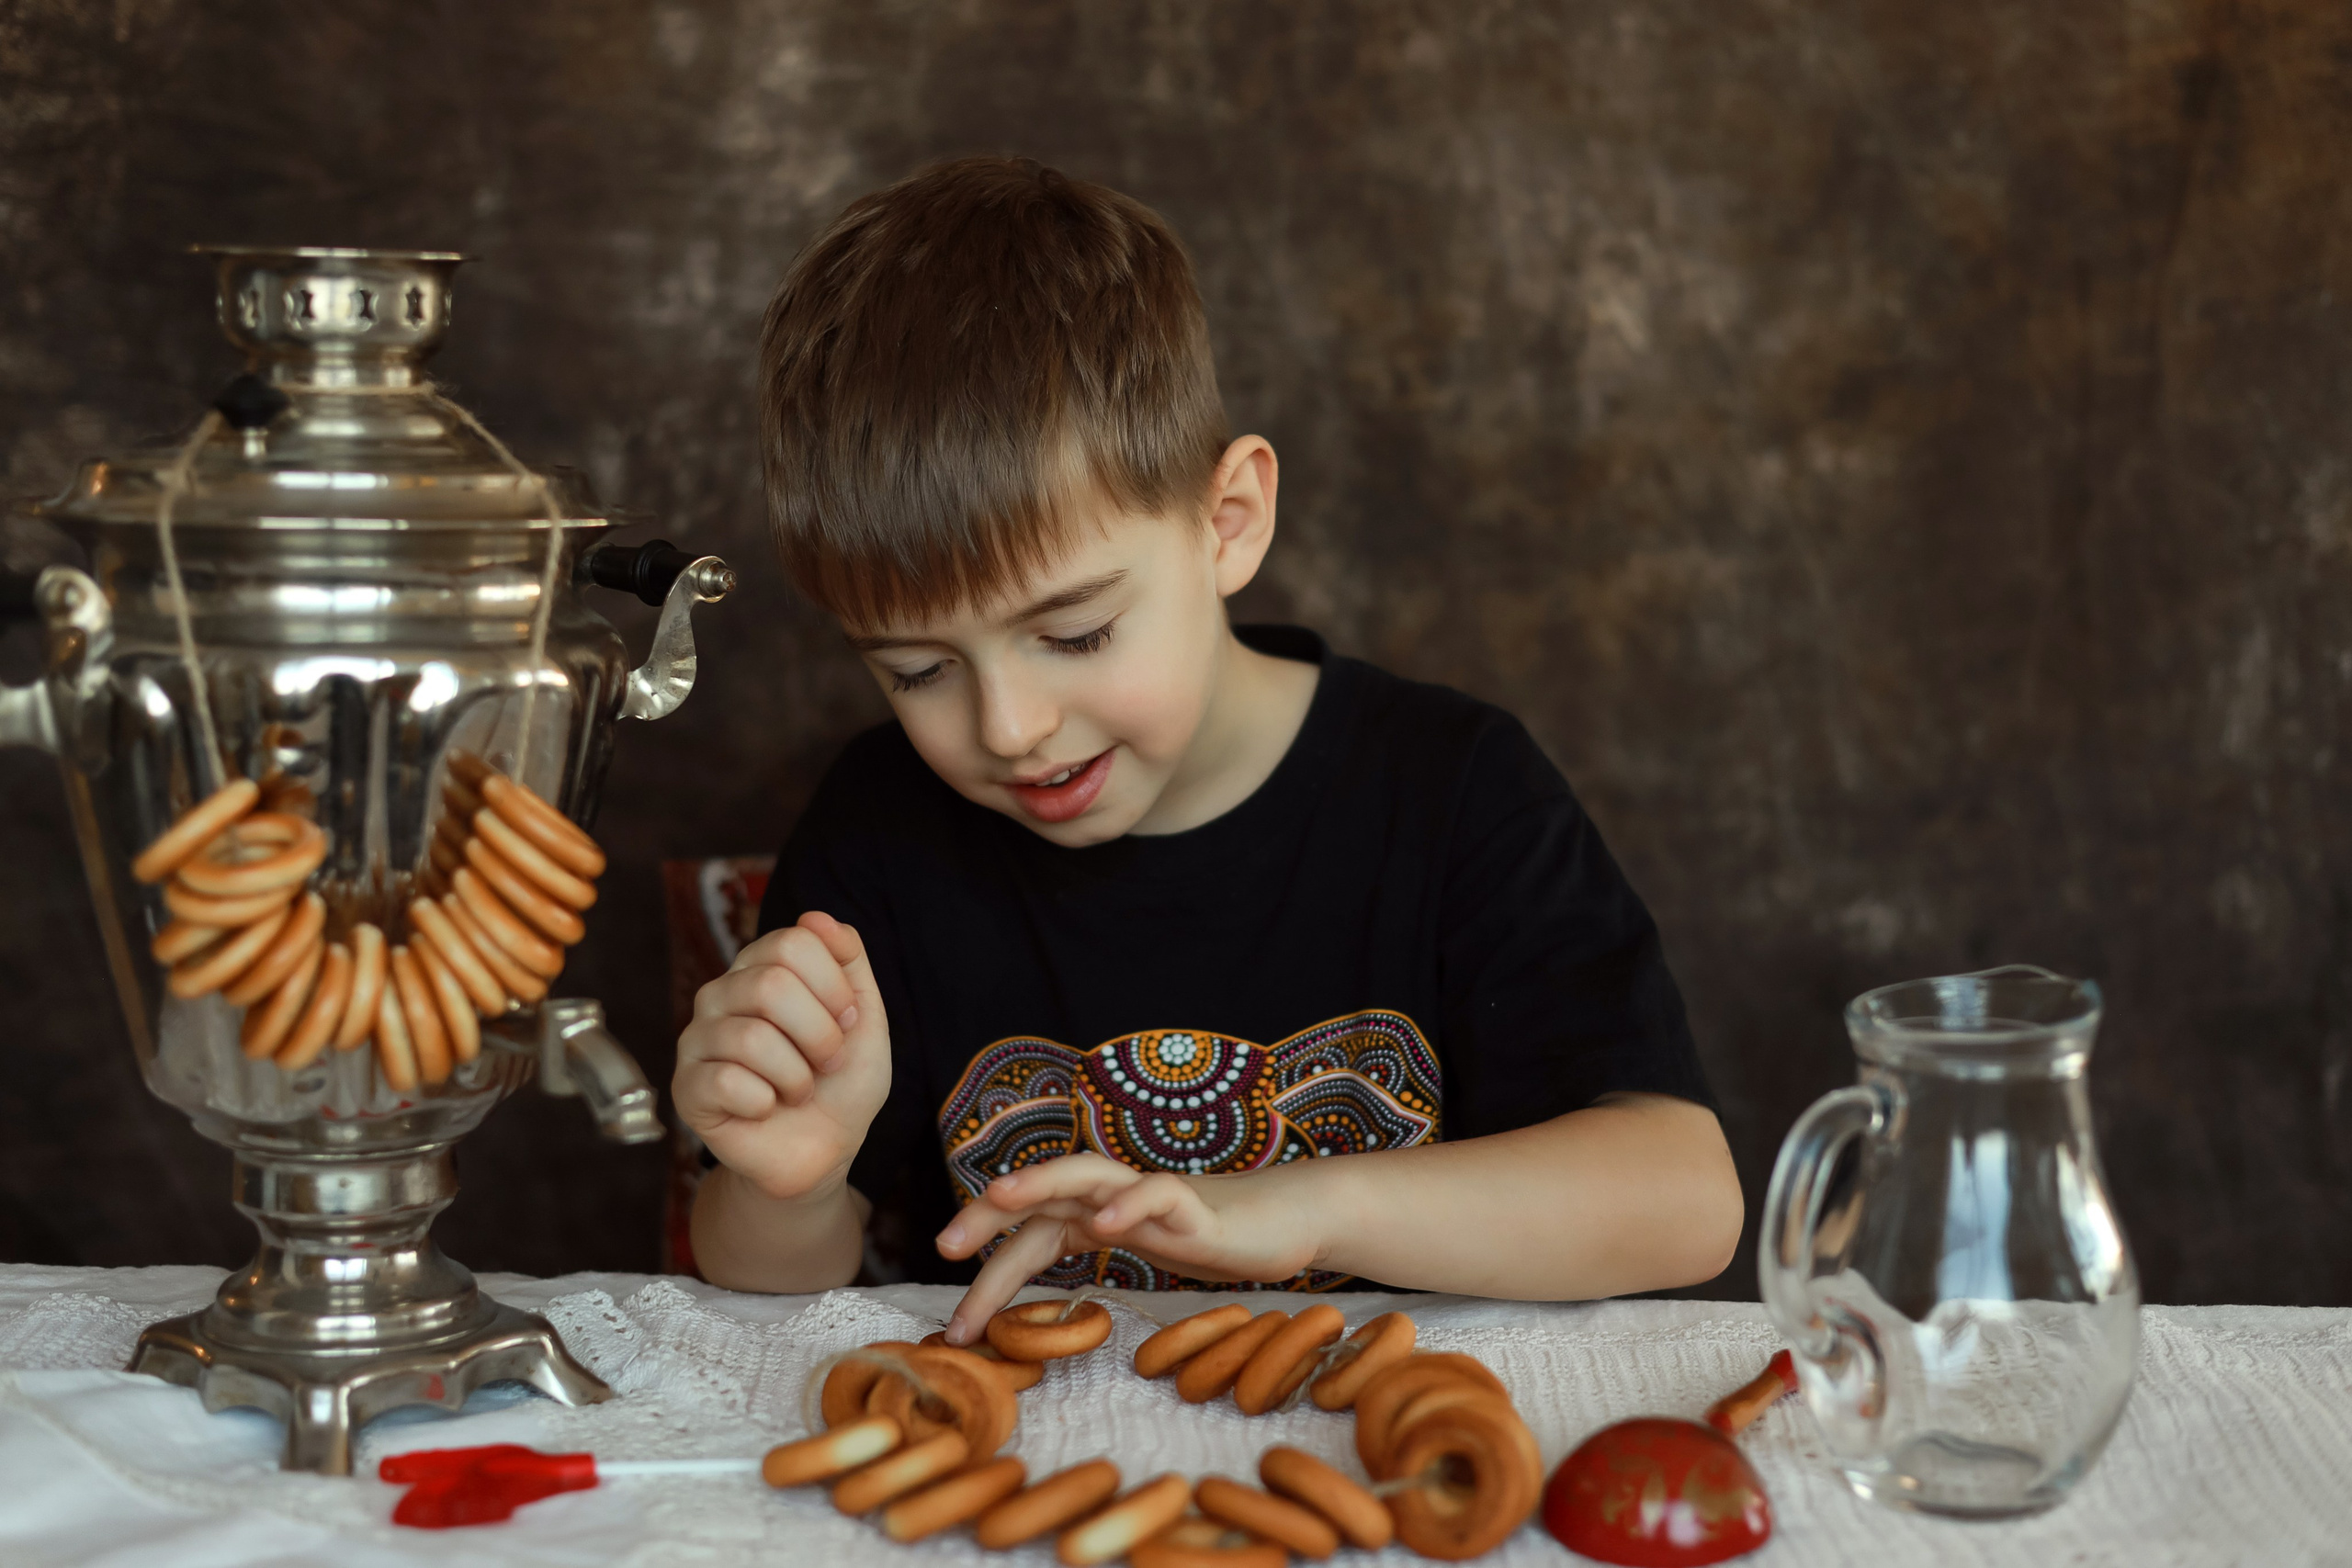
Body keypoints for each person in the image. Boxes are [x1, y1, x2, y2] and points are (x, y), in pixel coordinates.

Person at [675, 156, 1742, 1345]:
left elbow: (1685, 1200)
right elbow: (755, 1283)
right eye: (916, 670)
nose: (1009, 727)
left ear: (1227, 523)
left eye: (1075, 631)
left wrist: (1295, 1211)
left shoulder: (1451, 791)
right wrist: (790, 1183)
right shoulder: (879, 834)